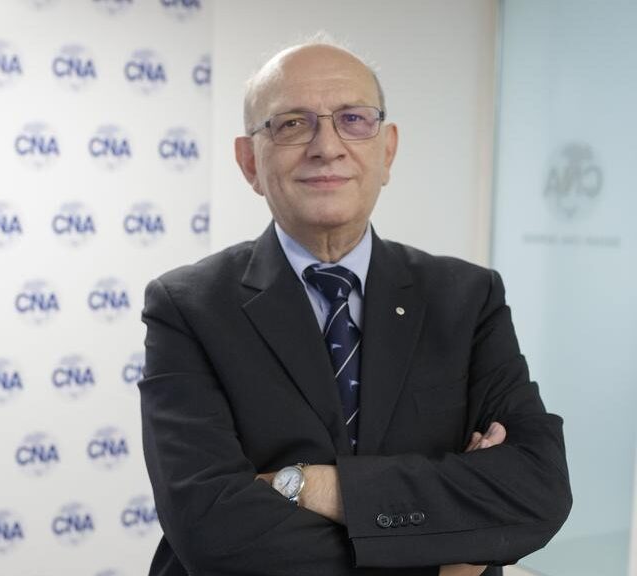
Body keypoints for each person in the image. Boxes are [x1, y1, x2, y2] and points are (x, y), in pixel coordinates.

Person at [138, 38, 571, 576]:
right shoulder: (187, 307)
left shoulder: (468, 297)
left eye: (353, 120)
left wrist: (315, 485)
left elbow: (536, 490)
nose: (327, 146)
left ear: (387, 151)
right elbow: (212, 530)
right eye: (292, 124)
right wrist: (449, 546)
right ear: (249, 162)